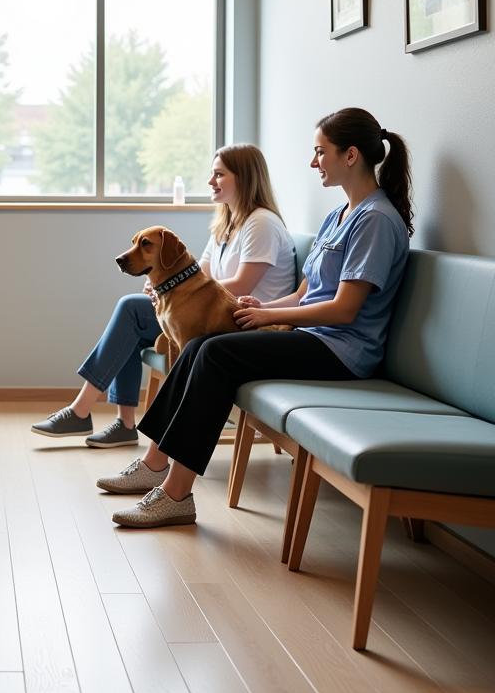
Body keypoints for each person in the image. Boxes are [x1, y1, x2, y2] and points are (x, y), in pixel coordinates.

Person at [109, 108, 412, 528]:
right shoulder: (338, 215)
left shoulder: (376, 220)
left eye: (320, 152)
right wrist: (265, 310)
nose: (313, 162)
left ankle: (175, 493)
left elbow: (344, 309)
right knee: (198, 346)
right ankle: (155, 462)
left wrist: (277, 316)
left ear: (351, 156)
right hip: (315, 337)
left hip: (342, 350)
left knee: (214, 354)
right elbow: (307, 290)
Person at [32, 144, 295, 448]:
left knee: (130, 310)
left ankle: (94, 414)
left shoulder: (261, 223)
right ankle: (120, 421)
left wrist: (170, 289)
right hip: (204, 313)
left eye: (219, 174)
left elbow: (239, 286)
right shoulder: (226, 224)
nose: (211, 181)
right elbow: (202, 274)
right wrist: (162, 285)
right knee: (131, 314)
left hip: (242, 321)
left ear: (245, 178)